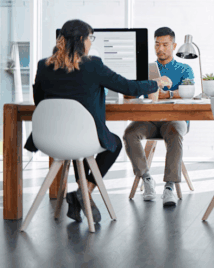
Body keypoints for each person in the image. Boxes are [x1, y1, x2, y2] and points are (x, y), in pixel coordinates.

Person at [24, 19, 172, 222]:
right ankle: (84, 193)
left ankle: (81, 193)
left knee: (76, 143)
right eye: (90, 38)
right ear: (82, 40)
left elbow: (39, 101)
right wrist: (155, 83)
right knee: (112, 143)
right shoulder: (92, 65)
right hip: (83, 139)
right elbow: (128, 87)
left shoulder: (43, 66)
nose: (91, 43)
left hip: (50, 139)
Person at [122, 27, 195, 207]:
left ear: (174, 45)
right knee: (129, 134)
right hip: (149, 120)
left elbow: (189, 92)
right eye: (156, 44)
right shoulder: (145, 69)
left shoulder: (185, 69)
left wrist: (168, 94)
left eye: (165, 44)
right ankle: (146, 179)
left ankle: (169, 187)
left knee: (175, 132)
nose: (160, 48)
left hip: (174, 120)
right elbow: (131, 96)